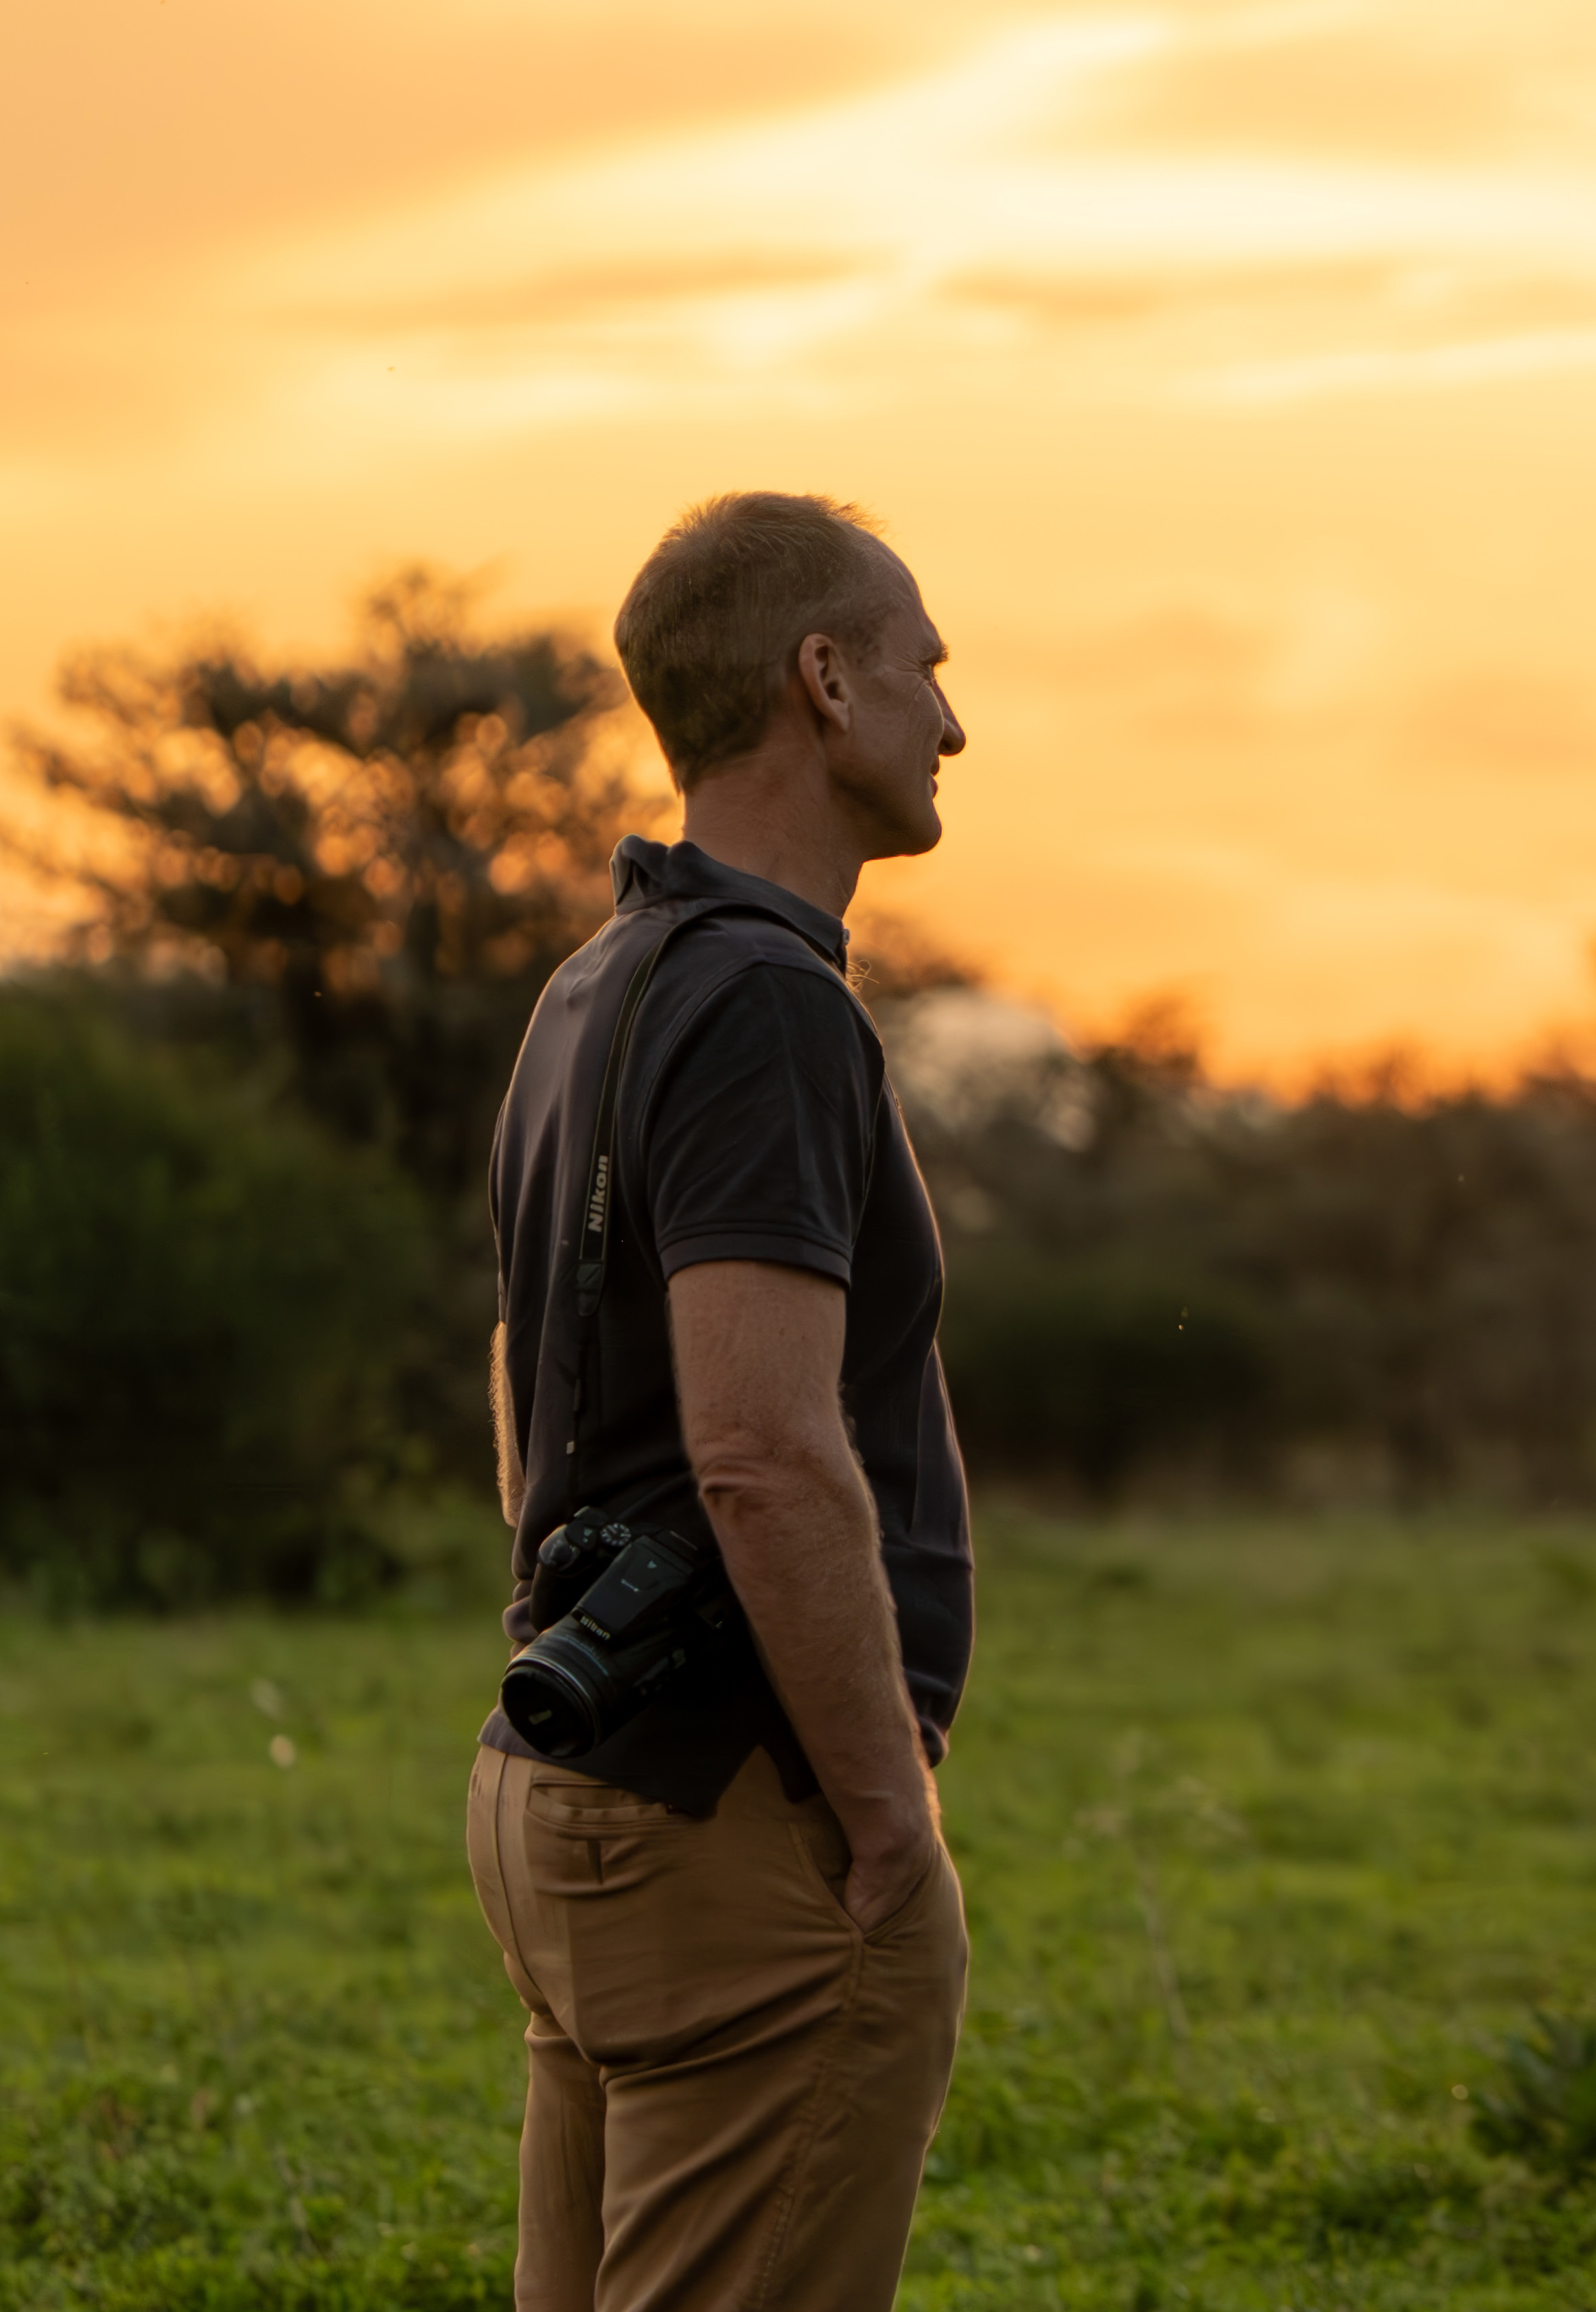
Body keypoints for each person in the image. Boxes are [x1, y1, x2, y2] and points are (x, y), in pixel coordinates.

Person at [471, 491, 976, 2311]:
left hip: (563, 1793)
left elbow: (526, 1373)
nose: (953, 723)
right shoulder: (765, 1002)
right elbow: (764, 1453)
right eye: (927, 666)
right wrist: (885, 1815)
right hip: (736, 1824)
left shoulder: (590, 986)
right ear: (821, 680)